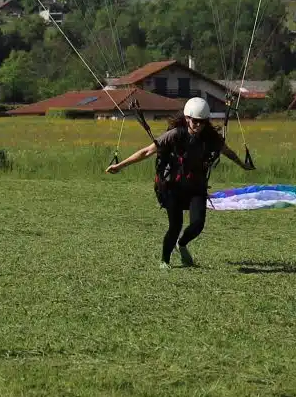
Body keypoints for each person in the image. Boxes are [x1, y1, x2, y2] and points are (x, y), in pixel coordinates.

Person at [107, 96, 252, 269]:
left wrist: (242, 165)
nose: (198, 125)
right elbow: (147, 152)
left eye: (202, 122)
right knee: (175, 226)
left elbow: (227, 152)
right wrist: (120, 165)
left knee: (197, 224)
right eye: (195, 121)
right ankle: (165, 261)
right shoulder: (175, 135)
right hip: (172, 188)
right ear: (187, 118)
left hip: (196, 187)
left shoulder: (210, 138)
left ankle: (182, 244)